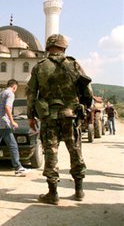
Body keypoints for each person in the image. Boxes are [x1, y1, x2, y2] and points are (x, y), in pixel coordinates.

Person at [26, 34, 93, 205]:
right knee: (75, 150)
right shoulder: (74, 64)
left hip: (49, 117)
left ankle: (53, 194)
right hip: (71, 116)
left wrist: (30, 116)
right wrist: (84, 108)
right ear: (64, 47)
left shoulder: (39, 67)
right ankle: (79, 191)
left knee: (50, 152)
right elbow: (88, 91)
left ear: (48, 48)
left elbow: (31, 93)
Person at [0, 79, 31, 177]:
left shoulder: (0, 94)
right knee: (13, 145)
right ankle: (18, 168)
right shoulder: (10, 94)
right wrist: (12, 122)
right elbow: (8, 108)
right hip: (4, 124)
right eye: (15, 89)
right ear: (14, 87)